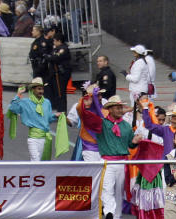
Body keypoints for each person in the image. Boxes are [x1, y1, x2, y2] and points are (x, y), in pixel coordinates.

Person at [79, 90, 141, 219]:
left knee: (119, 191)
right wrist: (87, 105)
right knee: (107, 188)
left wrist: (134, 142)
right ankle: (109, 212)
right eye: (117, 108)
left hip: (122, 162)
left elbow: (130, 144)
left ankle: (116, 215)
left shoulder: (126, 126)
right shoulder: (102, 124)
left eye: (121, 107)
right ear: (110, 110)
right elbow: (87, 118)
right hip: (107, 162)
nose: (120, 110)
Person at [8, 77, 56, 161]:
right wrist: (19, 94)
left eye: (42, 89)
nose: (41, 91)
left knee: (40, 162)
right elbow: (13, 107)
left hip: (45, 138)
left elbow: (48, 119)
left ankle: (35, 174)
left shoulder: (47, 102)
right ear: (33, 90)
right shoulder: (26, 102)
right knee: (35, 161)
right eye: (39, 89)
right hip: (33, 139)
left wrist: (56, 116)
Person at [46, 34, 71, 113]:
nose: (53, 42)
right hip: (54, 74)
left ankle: (62, 111)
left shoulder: (63, 49)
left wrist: (49, 57)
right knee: (56, 93)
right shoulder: (56, 48)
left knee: (60, 93)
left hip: (60, 74)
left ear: (59, 41)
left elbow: (55, 57)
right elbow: (51, 55)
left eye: (54, 41)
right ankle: (58, 110)